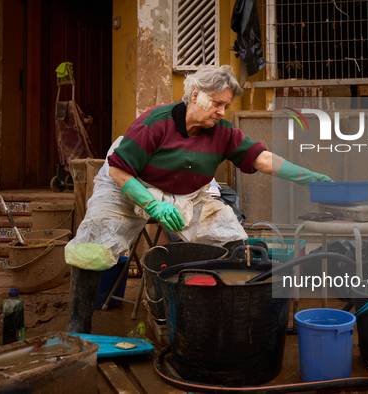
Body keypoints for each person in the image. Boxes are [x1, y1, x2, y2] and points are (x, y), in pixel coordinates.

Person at [64, 65, 332, 333]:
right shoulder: (155, 123)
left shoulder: (223, 131)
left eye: (225, 105)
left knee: (233, 241)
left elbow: (261, 159)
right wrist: (151, 203)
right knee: (94, 242)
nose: (221, 112)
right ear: (195, 95)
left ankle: (225, 316)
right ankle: (78, 327)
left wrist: (308, 176)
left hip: (188, 193)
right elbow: (118, 168)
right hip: (128, 182)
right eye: (216, 103)